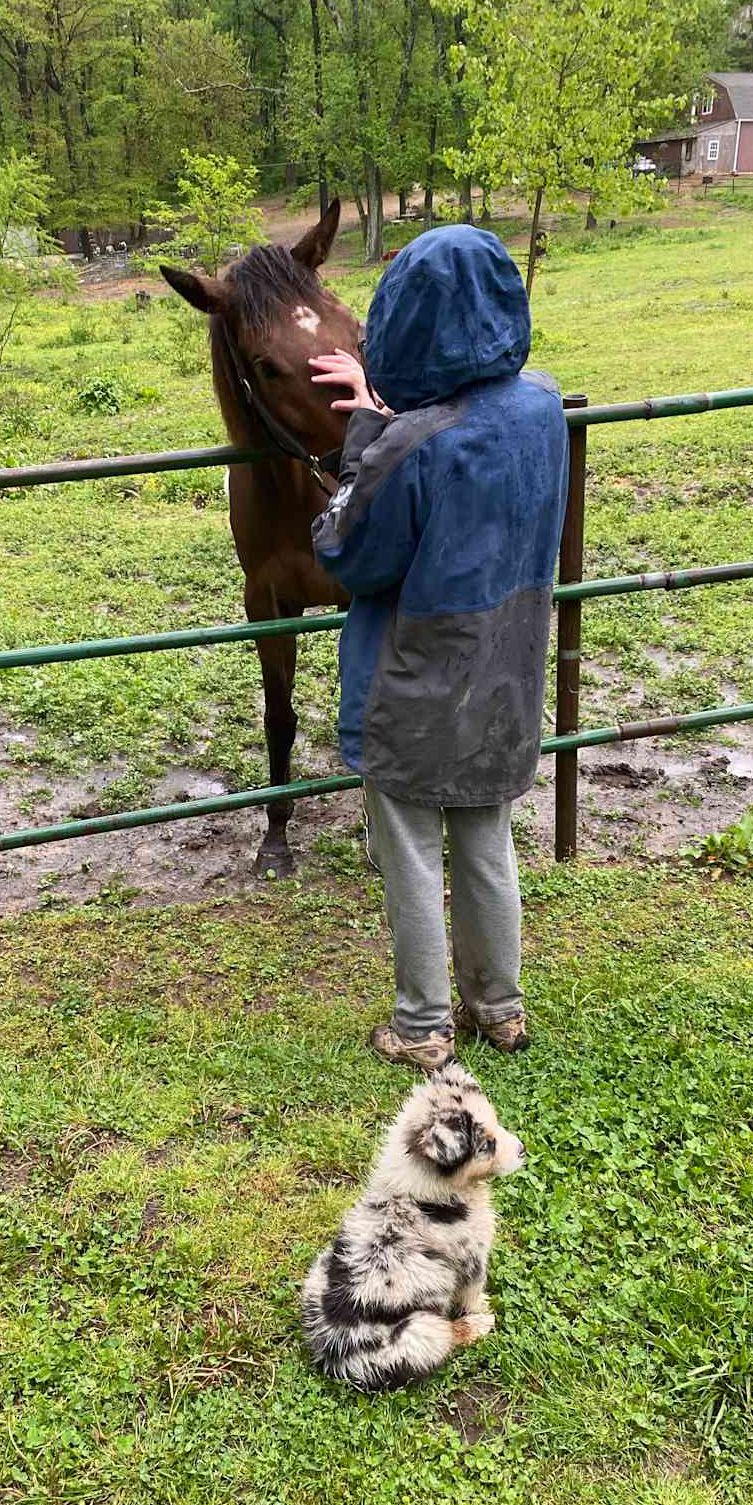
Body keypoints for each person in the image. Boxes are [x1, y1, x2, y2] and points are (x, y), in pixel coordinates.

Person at [309, 225, 568, 1072]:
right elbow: (465, 421)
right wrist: (392, 411)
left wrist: (367, 437)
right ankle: (499, 1005)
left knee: (413, 845)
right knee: (487, 836)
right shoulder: (544, 408)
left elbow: (346, 549)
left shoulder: (408, 448)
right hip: (507, 670)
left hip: (420, 678)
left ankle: (421, 1025)